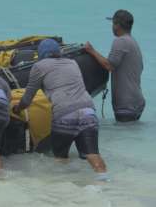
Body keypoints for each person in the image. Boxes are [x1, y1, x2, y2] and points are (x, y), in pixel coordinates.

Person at [13, 39, 108, 178]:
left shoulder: (39, 67)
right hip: (88, 112)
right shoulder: (72, 63)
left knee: (61, 158)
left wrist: (17, 109)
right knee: (92, 154)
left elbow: (28, 98)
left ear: (41, 54)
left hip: (64, 115)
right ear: (59, 52)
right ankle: (104, 180)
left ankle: (63, 188)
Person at [84, 9, 146, 122]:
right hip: (136, 101)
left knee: (126, 138)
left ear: (117, 25)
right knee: (130, 137)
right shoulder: (132, 42)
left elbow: (109, 65)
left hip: (126, 104)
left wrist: (91, 51)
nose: (112, 26)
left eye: (113, 23)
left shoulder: (120, 41)